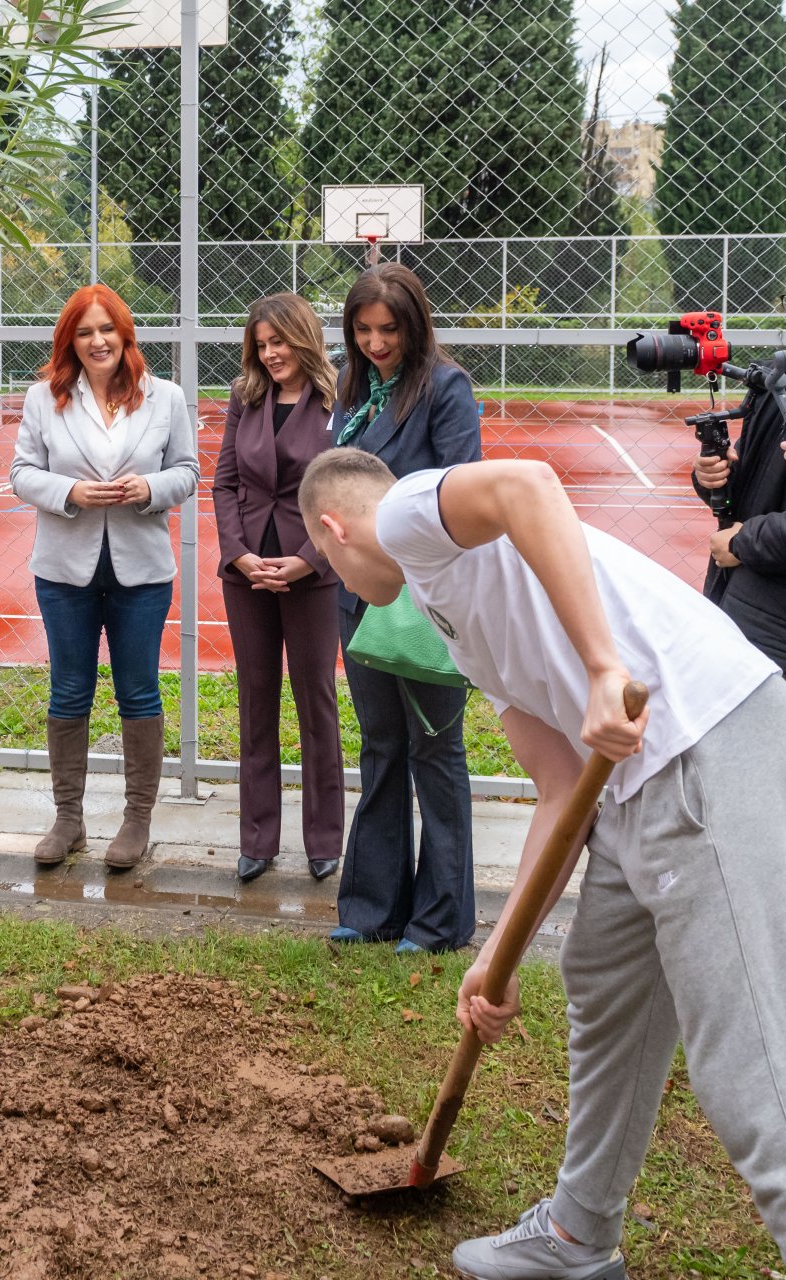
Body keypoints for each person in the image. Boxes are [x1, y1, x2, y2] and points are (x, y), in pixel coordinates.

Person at [300, 445, 786, 1279]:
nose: (335, 578)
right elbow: (563, 789)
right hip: (634, 785)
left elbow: (527, 484)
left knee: (747, 1059)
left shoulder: (412, 511)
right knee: (604, 993)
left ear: (334, 529)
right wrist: (499, 954)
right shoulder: (452, 615)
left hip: (702, 739)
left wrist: (604, 667)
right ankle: (576, 1237)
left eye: (323, 558)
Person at [10, 283, 199, 871]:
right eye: (84, 332)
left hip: (141, 570)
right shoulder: (45, 398)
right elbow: (21, 473)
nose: (97, 341)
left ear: (125, 334)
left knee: (138, 689)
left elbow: (189, 471)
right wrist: (70, 491)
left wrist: (150, 488)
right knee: (69, 689)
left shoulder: (164, 397)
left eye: (106, 330)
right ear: (71, 340)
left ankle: (136, 819)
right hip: (65, 568)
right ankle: (68, 818)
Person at [327, 263, 481, 953]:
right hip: (357, 595)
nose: (375, 343)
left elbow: (460, 497)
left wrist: (388, 532)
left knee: (435, 750)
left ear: (414, 326)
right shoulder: (351, 388)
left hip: (424, 599)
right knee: (382, 747)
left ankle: (440, 920)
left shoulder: (446, 389)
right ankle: (370, 910)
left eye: (388, 329)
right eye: (362, 330)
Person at [212, 292, 343, 886]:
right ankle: (257, 840)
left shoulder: (339, 401)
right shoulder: (246, 398)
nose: (269, 355)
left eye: (279, 342)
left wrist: (309, 560)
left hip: (312, 572)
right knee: (255, 700)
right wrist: (238, 554)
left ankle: (323, 839)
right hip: (247, 573)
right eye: (260, 345)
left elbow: (347, 493)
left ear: (303, 338)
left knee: (315, 702)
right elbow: (224, 482)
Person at [691, 382, 786, 670]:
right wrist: (713, 478)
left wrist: (741, 542)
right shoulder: (775, 382)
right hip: (744, 607)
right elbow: (755, 480)